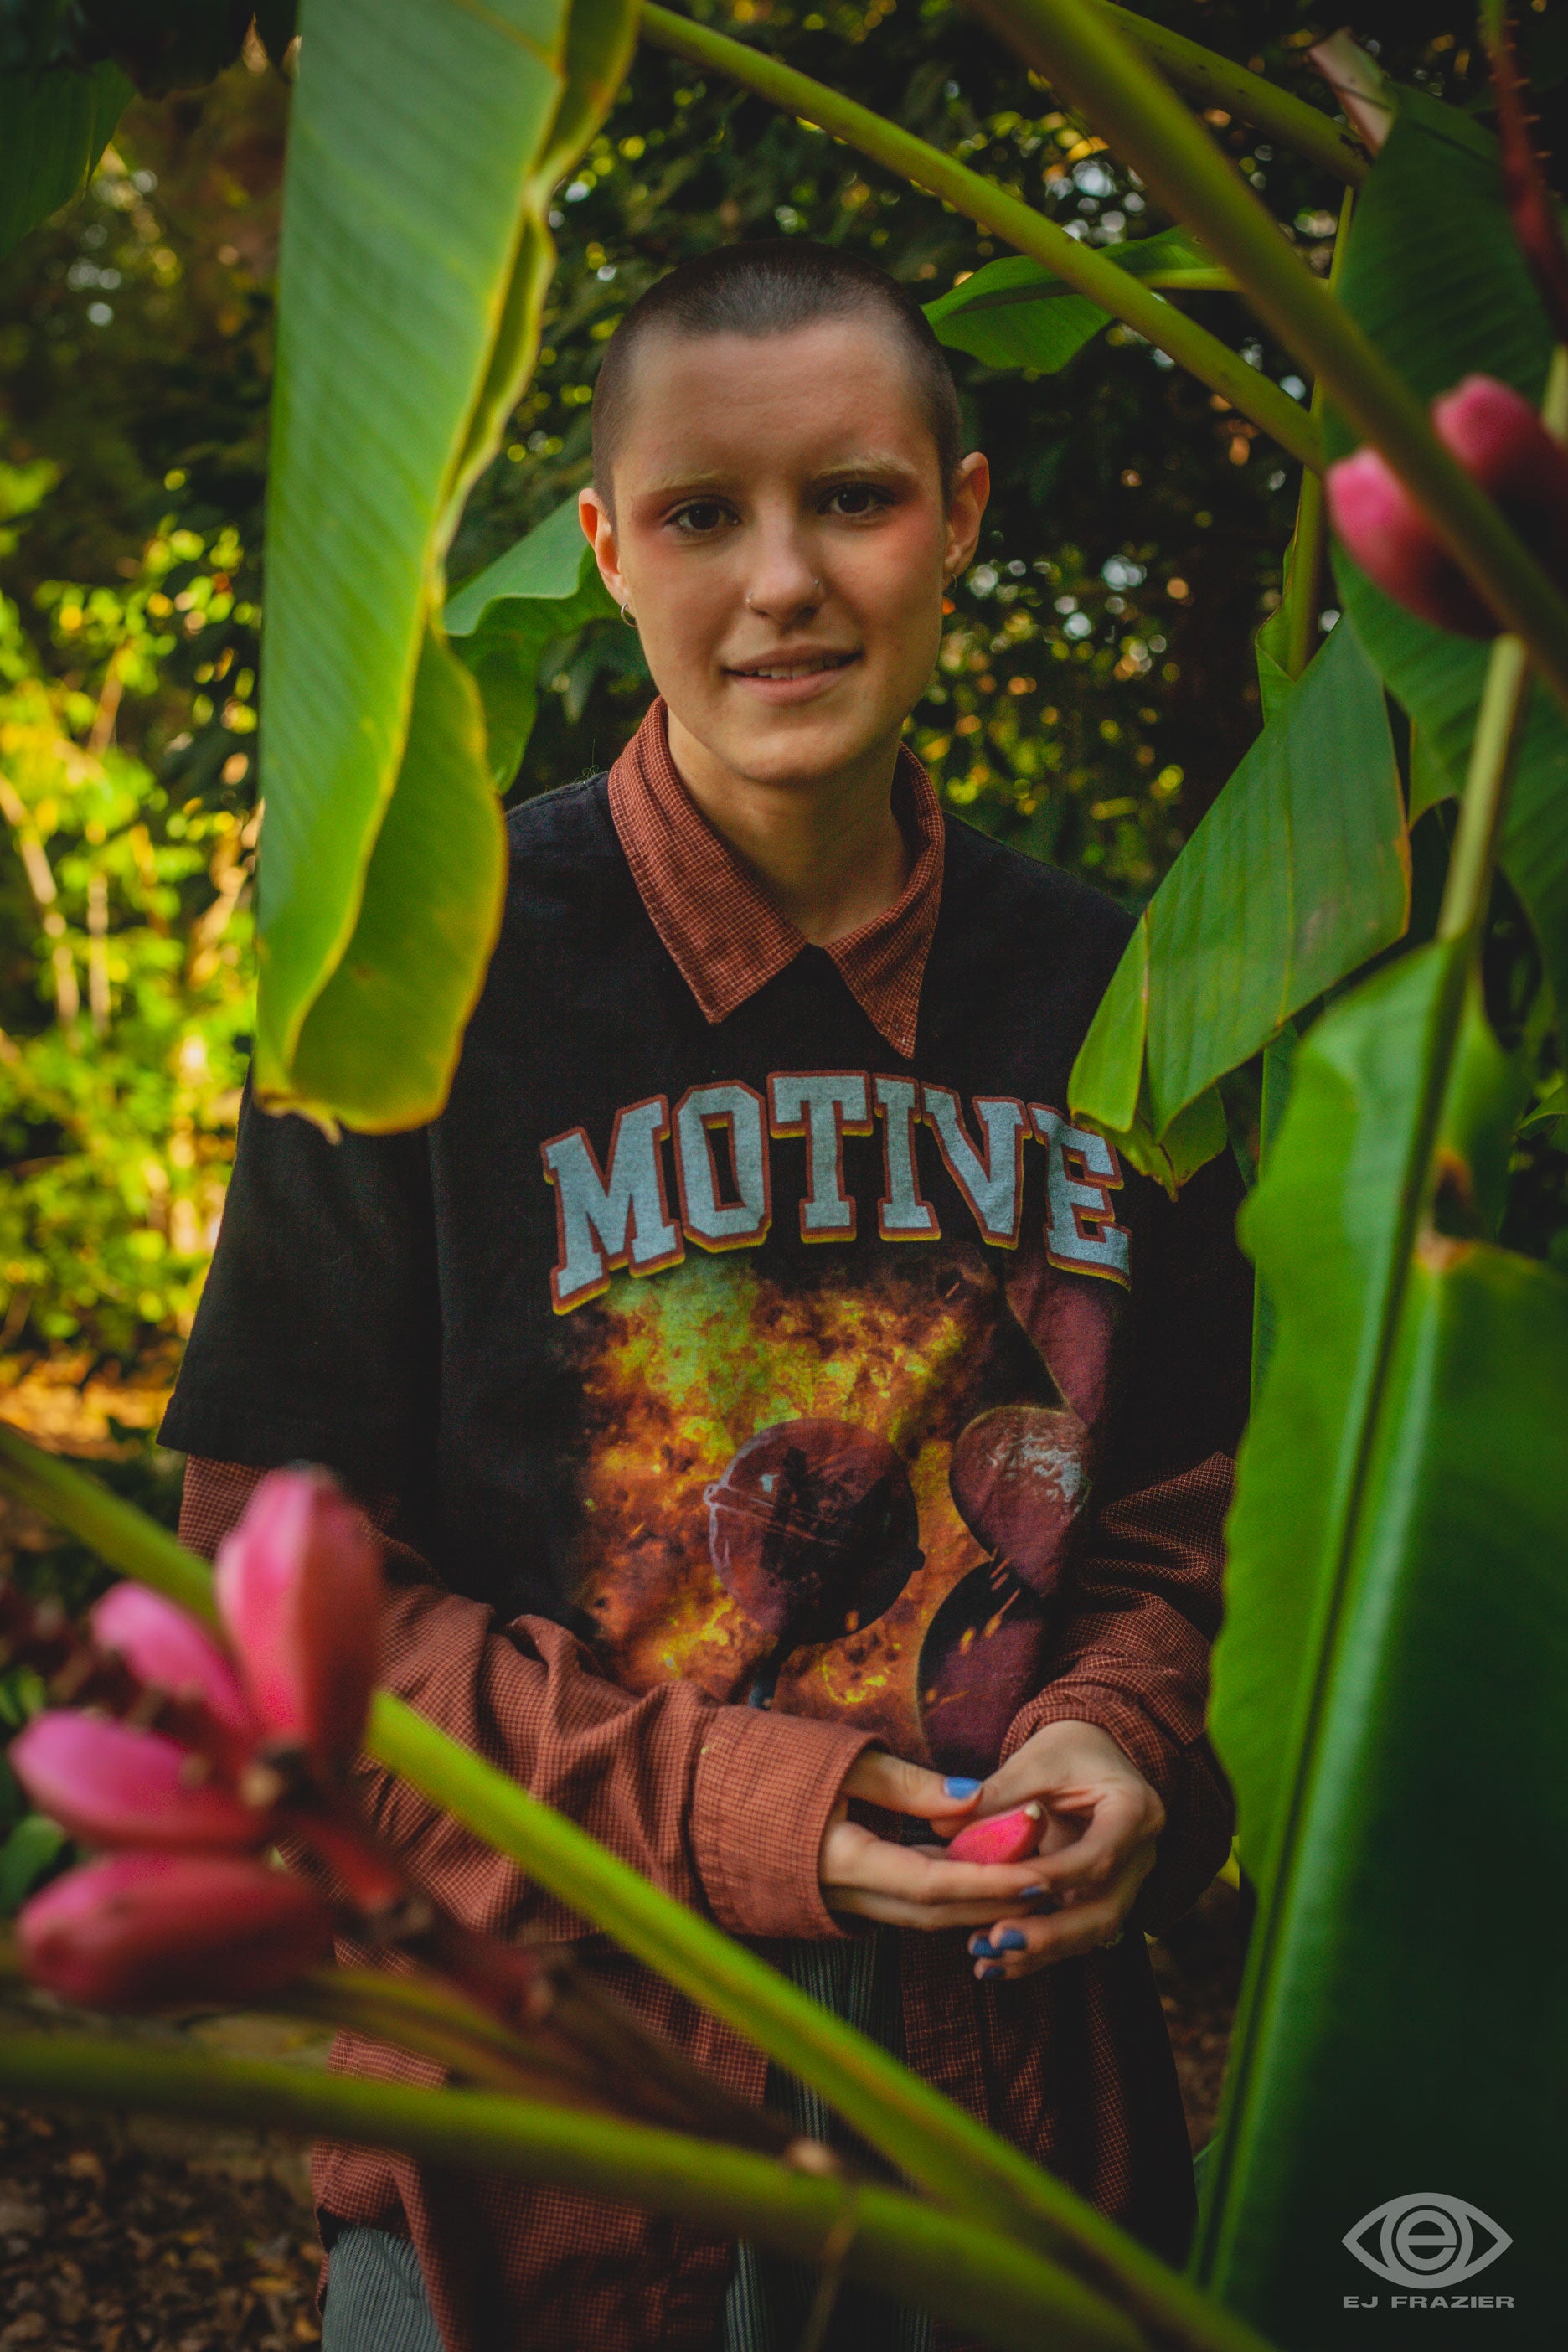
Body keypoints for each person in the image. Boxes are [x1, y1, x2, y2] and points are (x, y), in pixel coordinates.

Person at [162, 239, 1251, 2352]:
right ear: (603, 545)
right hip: (541, 2143)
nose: (783, 585)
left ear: (963, 517)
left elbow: (1177, 1521)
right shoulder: (424, 980)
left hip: (1011, 2128)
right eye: (700, 515)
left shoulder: (1133, 989)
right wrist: (771, 1815)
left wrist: (1118, 1731)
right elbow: (271, 1614)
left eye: (853, 498)